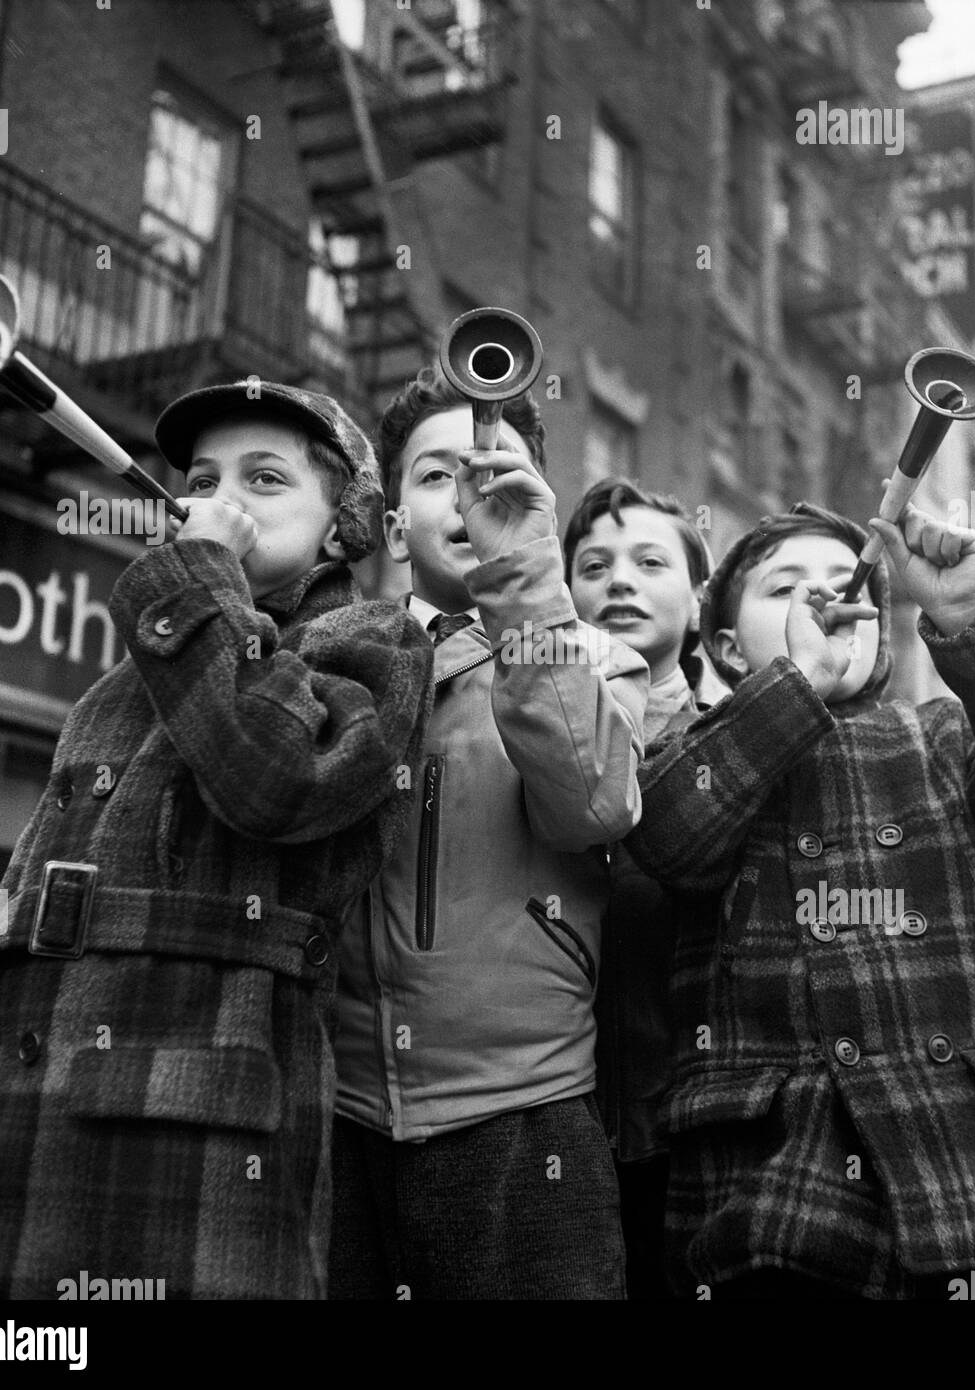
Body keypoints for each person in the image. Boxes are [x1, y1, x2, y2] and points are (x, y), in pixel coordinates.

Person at [0, 381, 433, 1299]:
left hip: (179, 1133)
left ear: (342, 529)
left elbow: (280, 781)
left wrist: (202, 572)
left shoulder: (375, 641)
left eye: (266, 478)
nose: (220, 497)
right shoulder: (124, 681)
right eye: (204, 478)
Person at [626, 499, 975, 1298]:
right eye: (785, 588)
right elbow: (669, 839)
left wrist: (968, 614)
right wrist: (796, 689)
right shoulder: (692, 749)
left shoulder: (948, 739)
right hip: (772, 1204)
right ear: (723, 647)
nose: (826, 600)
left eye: (842, 581)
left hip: (974, 1191)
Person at [329, 367, 647, 1300]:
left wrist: (521, 584)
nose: (470, 493)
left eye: (497, 473)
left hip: (526, 1119)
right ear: (392, 527)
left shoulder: (596, 656)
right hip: (343, 1114)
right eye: (437, 477)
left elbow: (592, 805)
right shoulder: (341, 656)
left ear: (542, 510)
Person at [564, 477, 712, 1298]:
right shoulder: (521, 739)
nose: (618, 580)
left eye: (649, 561)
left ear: (699, 603)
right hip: (553, 1131)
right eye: (592, 565)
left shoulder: (737, 744)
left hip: (695, 1140)